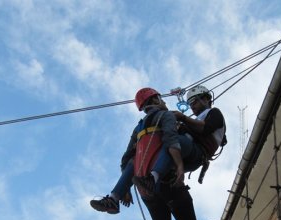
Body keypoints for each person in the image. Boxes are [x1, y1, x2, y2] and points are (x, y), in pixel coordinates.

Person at [90, 85, 226, 213]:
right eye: (190, 103)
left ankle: (152, 179)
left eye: (194, 102)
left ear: (206, 99)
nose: (192, 106)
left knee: (171, 141)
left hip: (196, 153)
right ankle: (114, 198)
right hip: (184, 153)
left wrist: (183, 118)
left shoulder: (214, 113)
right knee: (135, 160)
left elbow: (205, 128)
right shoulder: (193, 120)